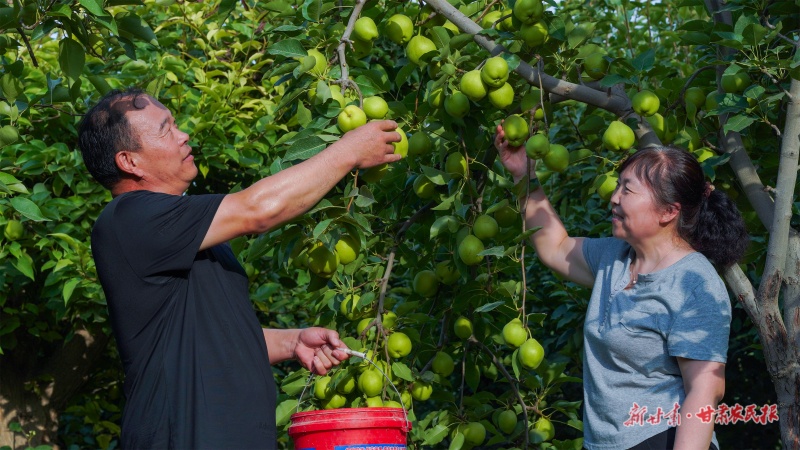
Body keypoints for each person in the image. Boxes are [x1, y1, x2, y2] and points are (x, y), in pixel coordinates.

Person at [77, 88, 403, 449]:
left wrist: (292, 341)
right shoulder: (129, 219)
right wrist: (349, 151)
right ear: (130, 161)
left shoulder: (188, 235)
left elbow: (212, 337)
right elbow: (258, 210)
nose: (184, 134)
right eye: (166, 129)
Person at [495, 124, 748, 450]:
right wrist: (524, 175)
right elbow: (555, 247)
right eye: (617, 186)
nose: (613, 198)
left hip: (661, 439)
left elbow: (704, 391)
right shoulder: (614, 258)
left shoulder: (694, 285)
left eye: (627, 191)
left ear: (669, 212)